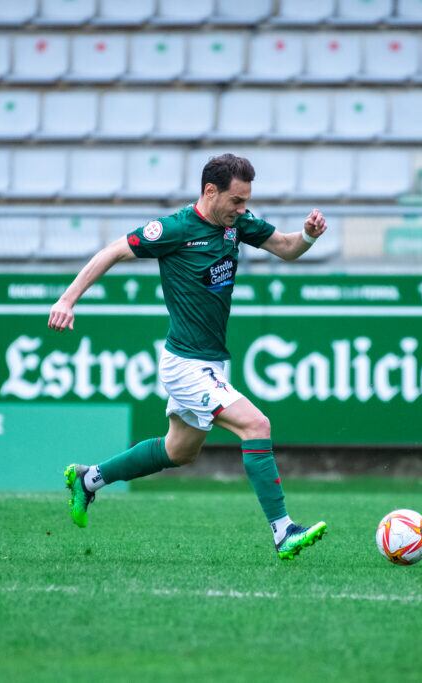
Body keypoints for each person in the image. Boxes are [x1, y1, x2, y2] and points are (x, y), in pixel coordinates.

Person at [50, 154, 329, 561]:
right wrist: (67, 299)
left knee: (179, 451)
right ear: (210, 192)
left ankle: (88, 480)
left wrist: (307, 235)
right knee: (256, 425)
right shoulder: (173, 229)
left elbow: (286, 249)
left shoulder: (237, 224)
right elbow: (111, 252)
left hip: (211, 362)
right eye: (236, 200)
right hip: (185, 365)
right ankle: (283, 531)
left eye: (246, 200)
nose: (242, 209)